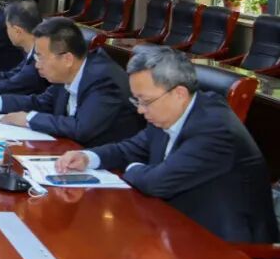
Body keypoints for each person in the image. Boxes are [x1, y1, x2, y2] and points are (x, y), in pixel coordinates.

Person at [56, 46, 278, 244]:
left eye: (145, 101)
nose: (140, 110)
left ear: (179, 93)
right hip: (176, 226)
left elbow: (157, 183)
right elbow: (131, 148)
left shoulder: (216, 129)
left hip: (226, 249)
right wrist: (88, 157)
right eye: (137, 100)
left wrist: (132, 168)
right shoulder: (166, 113)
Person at [0, 17, 143, 146]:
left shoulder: (103, 78)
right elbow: (40, 102)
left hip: (112, 172)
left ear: (67, 59)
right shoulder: (68, 73)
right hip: (71, 152)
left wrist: (28, 119)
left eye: (41, 57)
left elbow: (81, 128)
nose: (37, 64)